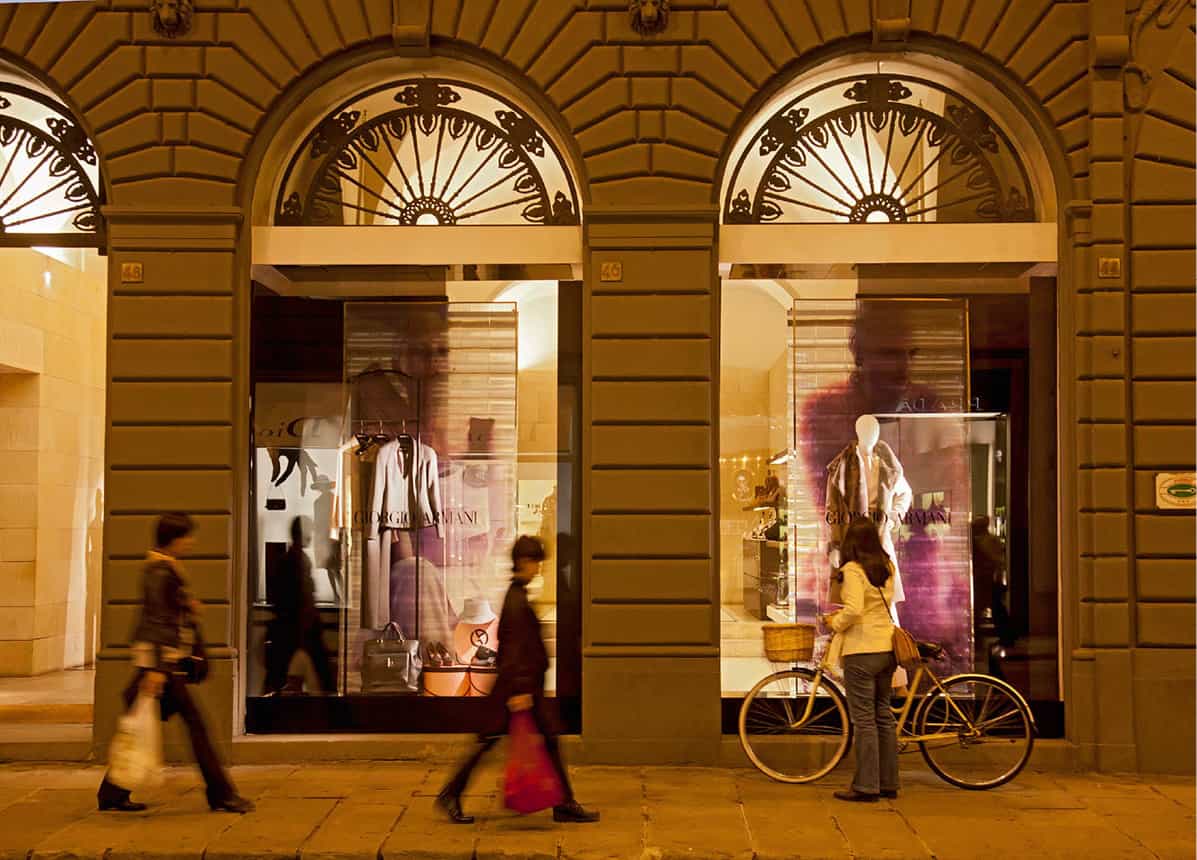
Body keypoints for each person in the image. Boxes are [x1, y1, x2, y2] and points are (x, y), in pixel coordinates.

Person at [97, 512, 254, 814]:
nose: (191, 542)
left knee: (139, 725)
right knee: (197, 728)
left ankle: (112, 793)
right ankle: (221, 794)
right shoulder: (161, 572)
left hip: (160, 666)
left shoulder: (163, 568)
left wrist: (187, 606)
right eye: (187, 536)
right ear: (174, 539)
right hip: (163, 668)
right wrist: (158, 669)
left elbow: (164, 615)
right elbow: (158, 621)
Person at [437, 535, 598, 825]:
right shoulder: (516, 601)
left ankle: (564, 803)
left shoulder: (517, 596)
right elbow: (513, 649)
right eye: (536, 562)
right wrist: (520, 690)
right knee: (491, 742)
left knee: (542, 740)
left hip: (522, 687)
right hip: (519, 689)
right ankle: (452, 793)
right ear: (524, 562)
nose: (539, 569)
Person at [820, 517, 900, 802]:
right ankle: (888, 782)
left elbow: (853, 610)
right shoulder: (886, 567)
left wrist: (834, 623)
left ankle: (866, 785)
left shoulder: (853, 570)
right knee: (883, 716)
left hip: (862, 650)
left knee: (864, 719)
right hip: (886, 648)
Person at [264, 516, 335, 694]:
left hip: (291, 627)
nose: (311, 536)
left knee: (279, 675)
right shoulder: (299, 560)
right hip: (301, 628)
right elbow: (304, 597)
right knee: (321, 674)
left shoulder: (287, 559)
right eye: (308, 532)